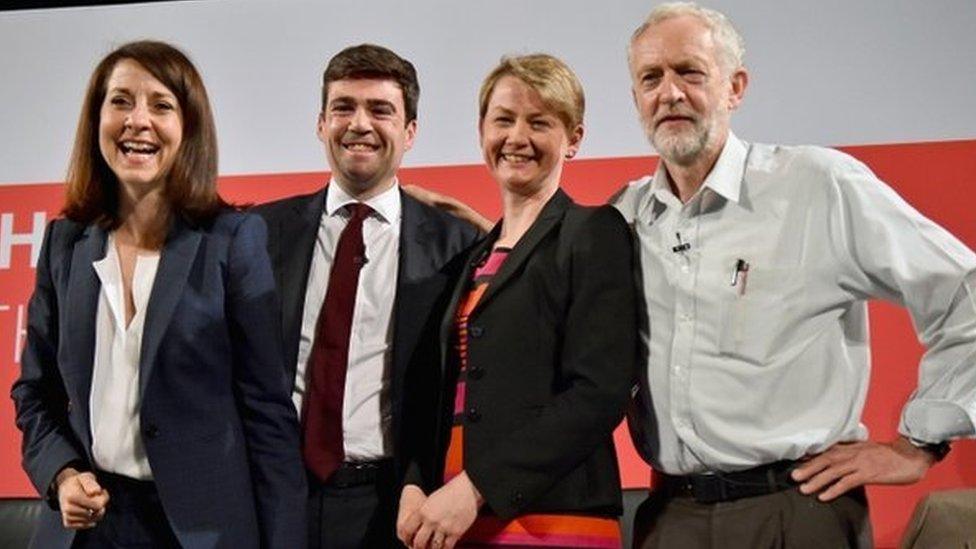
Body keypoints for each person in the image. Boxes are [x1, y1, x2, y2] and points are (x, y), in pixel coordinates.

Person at [612, 3, 976, 547]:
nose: (670, 93)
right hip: (671, 517)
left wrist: (919, 443)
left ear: (735, 87)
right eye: (651, 78)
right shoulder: (627, 214)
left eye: (690, 72)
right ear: (637, 99)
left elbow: (964, 290)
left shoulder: (817, 184)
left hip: (796, 511)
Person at [11, 40, 306, 548]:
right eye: (120, 101)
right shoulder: (65, 243)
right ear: (95, 118)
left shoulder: (233, 242)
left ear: (188, 128)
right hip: (87, 530)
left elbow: (268, 417)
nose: (137, 120)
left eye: (161, 105)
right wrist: (61, 475)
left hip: (198, 533)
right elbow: (34, 393)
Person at [396, 53, 638, 549]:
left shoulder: (594, 232)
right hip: (454, 522)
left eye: (539, 123)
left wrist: (476, 486)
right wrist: (414, 483)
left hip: (552, 521)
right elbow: (443, 389)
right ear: (482, 131)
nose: (516, 137)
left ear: (573, 139)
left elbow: (599, 390)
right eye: (503, 119)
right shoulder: (472, 258)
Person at [252, 44, 479, 549]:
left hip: (394, 504)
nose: (360, 124)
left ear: (410, 132)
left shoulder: (456, 246)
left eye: (380, 110)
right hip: (272, 496)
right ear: (320, 123)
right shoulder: (257, 233)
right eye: (343, 107)